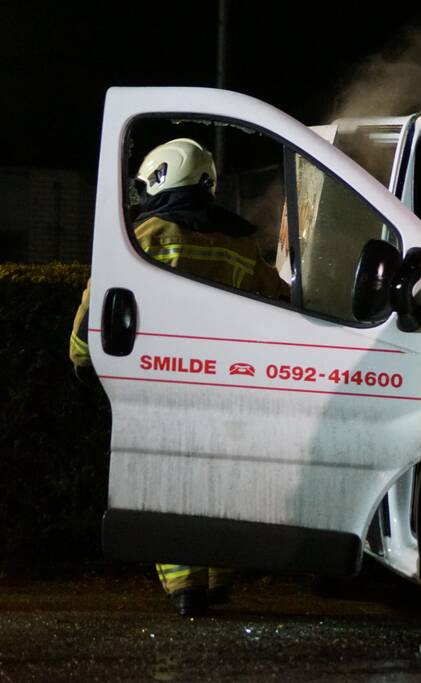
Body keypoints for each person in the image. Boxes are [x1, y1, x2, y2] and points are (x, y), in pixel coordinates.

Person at [69, 137, 286, 616]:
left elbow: (100, 301)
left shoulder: (146, 235)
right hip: (227, 385)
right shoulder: (241, 240)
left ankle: (186, 588)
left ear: (161, 176)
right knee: (219, 480)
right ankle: (219, 579)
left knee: (169, 482)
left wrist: (83, 357)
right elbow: (278, 298)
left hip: (163, 382)